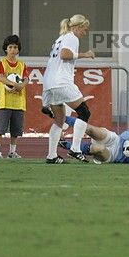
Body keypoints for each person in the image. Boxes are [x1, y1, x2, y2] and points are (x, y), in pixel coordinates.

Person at [42, 14, 95, 164]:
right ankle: (76, 149)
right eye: (84, 29)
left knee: (59, 120)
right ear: (77, 28)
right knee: (84, 112)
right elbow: (65, 55)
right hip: (61, 82)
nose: (85, 33)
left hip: (49, 82)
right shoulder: (72, 37)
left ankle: (51, 156)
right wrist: (85, 54)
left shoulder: (61, 38)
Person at [0, 34, 29, 159]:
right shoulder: (2, 63)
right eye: (10, 47)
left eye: (15, 47)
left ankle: (12, 152)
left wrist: (21, 85)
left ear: (18, 49)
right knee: (0, 128)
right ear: (5, 49)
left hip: (18, 102)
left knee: (16, 129)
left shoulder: (22, 64)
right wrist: (14, 84)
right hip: (4, 102)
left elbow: (26, 78)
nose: (13, 50)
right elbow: (1, 77)